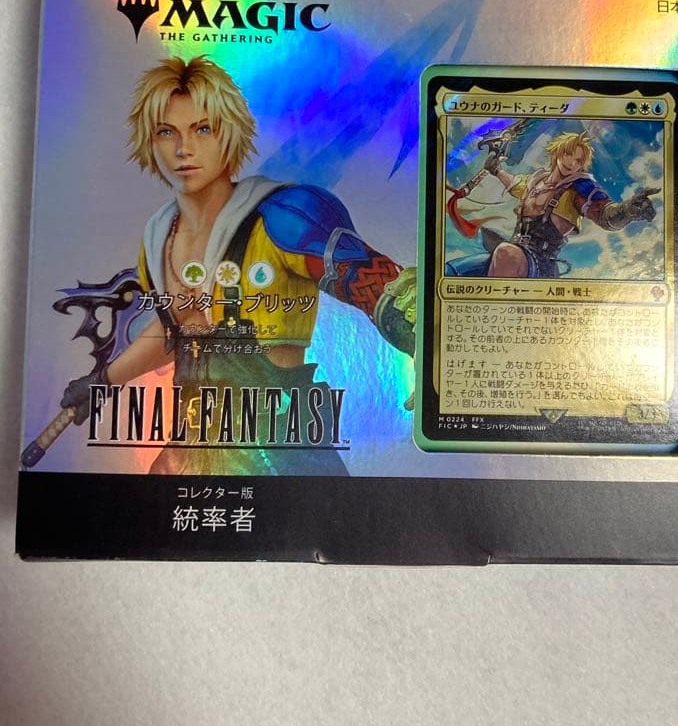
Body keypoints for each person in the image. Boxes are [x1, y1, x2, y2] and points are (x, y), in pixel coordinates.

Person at [60, 56, 415, 474]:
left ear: (229, 134)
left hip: (279, 446)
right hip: (191, 446)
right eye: (166, 132)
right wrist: (102, 381)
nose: (183, 149)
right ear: (149, 142)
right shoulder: (158, 237)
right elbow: (175, 329)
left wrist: (422, 338)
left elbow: (378, 285)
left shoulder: (285, 216)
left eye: (202, 129)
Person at [447, 131, 659, 278]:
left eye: (578, 161)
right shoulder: (535, 182)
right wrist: (496, 170)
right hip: (514, 254)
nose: (571, 163)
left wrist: (627, 211)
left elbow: (604, 214)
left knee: (505, 253)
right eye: (568, 154)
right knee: (454, 270)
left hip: (540, 264)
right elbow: (514, 184)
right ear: (557, 152)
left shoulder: (579, 188)